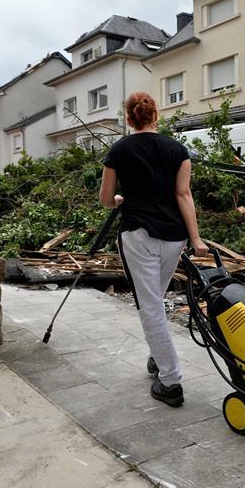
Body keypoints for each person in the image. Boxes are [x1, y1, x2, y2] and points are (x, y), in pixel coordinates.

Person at [99, 92, 208, 408]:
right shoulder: (176, 150)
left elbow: (106, 198)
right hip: (175, 236)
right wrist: (196, 239)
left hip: (139, 235)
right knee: (154, 301)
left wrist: (119, 200)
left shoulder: (119, 150)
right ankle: (158, 359)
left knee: (150, 306)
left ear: (130, 119)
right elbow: (183, 194)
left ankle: (171, 382)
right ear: (155, 115)